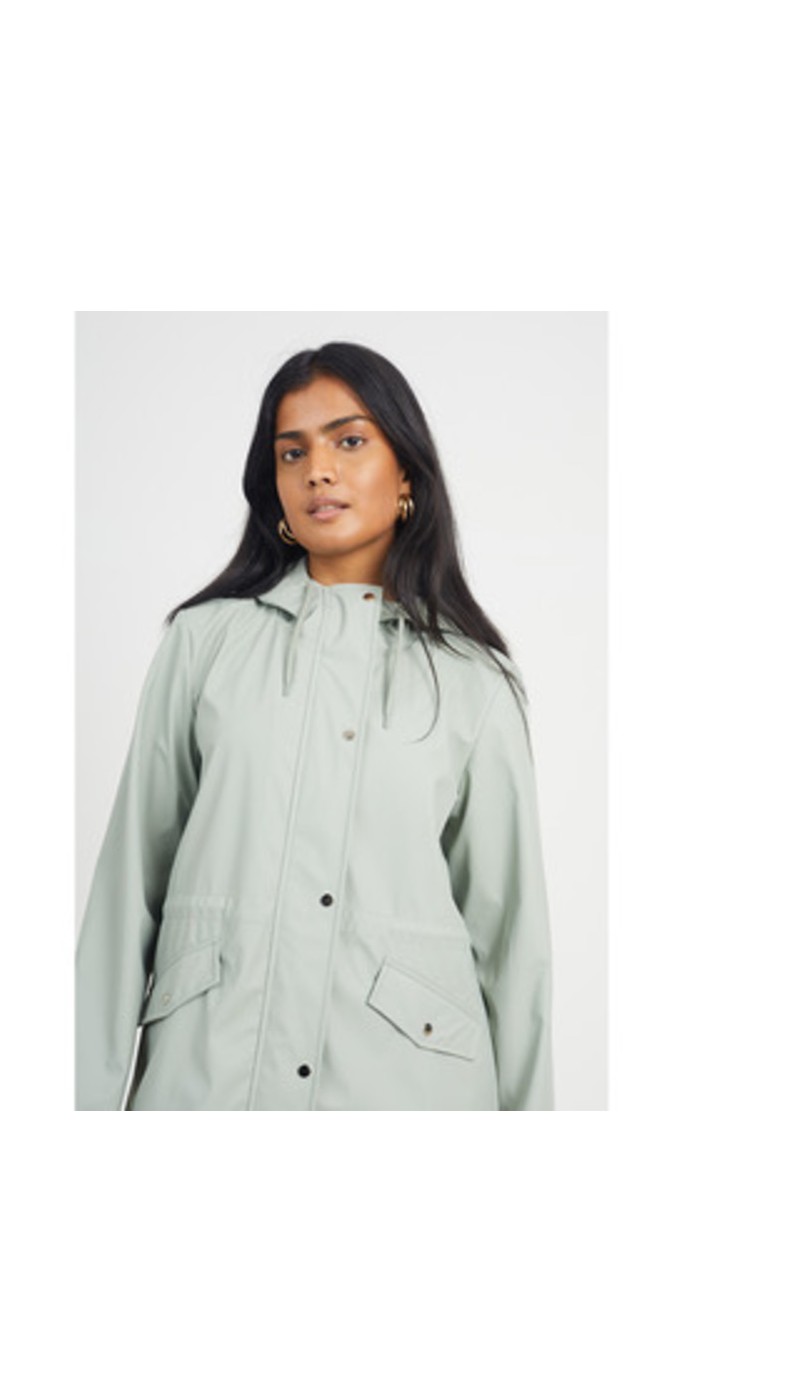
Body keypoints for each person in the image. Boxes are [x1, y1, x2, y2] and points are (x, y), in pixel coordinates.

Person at [75, 341, 554, 1110]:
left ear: (407, 474)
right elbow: (126, 892)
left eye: (349, 441)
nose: (317, 471)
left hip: (405, 1087)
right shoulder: (203, 644)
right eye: (291, 452)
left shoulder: (475, 682)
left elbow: (513, 944)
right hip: (211, 1077)